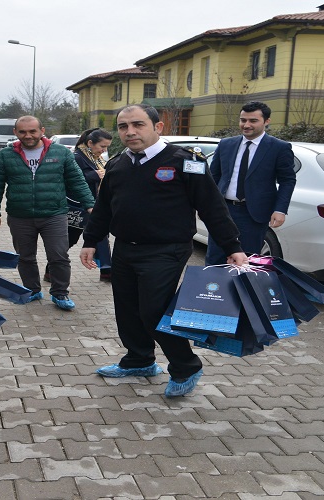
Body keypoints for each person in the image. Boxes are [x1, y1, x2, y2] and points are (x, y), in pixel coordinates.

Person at [80, 104, 247, 397]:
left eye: (138, 124)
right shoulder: (119, 163)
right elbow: (105, 208)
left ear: (158, 127)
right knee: (127, 309)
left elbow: (213, 207)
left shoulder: (186, 162)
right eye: (123, 126)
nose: (130, 132)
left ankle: (186, 365)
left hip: (165, 250)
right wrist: (91, 240)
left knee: (153, 310)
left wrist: (232, 246)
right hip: (125, 249)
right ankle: (139, 360)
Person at [0, 116, 95, 311]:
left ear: (42, 130)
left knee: (59, 255)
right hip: (20, 215)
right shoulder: (4, 156)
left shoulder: (61, 153)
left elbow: (77, 181)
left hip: (54, 214)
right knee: (25, 256)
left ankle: (60, 293)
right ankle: (32, 289)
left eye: (32, 131)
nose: (28, 135)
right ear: (15, 133)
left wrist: (90, 204)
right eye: (23, 132)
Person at [205, 101, 296, 265]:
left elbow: (287, 180)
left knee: (246, 262)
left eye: (253, 121)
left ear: (266, 121)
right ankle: (212, 291)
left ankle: (239, 291)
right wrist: (206, 204)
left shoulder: (279, 148)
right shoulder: (226, 144)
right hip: (223, 211)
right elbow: (214, 177)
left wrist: (280, 209)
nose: (246, 125)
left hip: (253, 214)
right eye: (243, 120)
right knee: (215, 259)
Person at [71, 128, 114, 282]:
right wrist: (94, 174)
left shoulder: (95, 158)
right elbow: (70, 179)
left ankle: (107, 271)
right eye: (102, 146)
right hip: (77, 206)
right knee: (70, 239)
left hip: (95, 204)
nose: (104, 150)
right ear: (90, 143)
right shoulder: (77, 157)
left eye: (107, 147)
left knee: (101, 235)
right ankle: (52, 268)